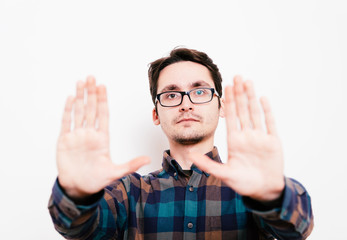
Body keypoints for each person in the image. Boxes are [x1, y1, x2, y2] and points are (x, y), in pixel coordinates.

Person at [48, 48, 314, 240]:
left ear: (221, 105)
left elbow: (297, 229)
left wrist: (272, 194)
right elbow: (78, 228)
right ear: (156, 114)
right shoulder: (129, 192)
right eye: (172, 94)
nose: (186, 103)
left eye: (199, 91)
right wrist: (76, 195)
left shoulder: (251, 188)